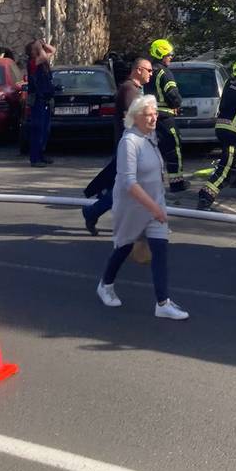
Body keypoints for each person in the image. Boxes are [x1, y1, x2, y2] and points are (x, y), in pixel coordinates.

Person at [96, 94, 189, 320]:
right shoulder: (129, 142)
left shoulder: (151, 137)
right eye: (148, 115)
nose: (154, 118)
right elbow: (129, 182)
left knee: (160, 249)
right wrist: (154, 208)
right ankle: (105, 285)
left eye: (155, 113)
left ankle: (162, 303)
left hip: (154, 204)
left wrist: (158, 204)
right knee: (124, 248)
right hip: (132, 207)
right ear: (135, 117)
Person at [82, 57, 153, 235]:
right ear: (138, 70)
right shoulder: (129, 90)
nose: (151, 74)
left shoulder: (134, 89)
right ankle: (94, 212)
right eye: (149, 70)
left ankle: (96, 212)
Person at [197, 58, 236, 210]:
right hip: (235, 131)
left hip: (221, 128)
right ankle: (206, 196)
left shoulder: (228, 83)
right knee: (226, 166)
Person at [143, 38, 189, 192]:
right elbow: (173, 95)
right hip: (165, 117)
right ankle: (177, 183)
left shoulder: (149, 71)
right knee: (173, 148)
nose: (171, 57)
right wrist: (177, 104)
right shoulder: (164, 72)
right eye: (169, 55)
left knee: (154, 150)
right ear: (161, 54)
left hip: (149, 117)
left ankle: (152, 182)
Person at [27, 40, 58, 168]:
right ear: (32, 52)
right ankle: (35, 159)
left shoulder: (42, 61)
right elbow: (44, 56)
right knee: (38, 130)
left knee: (45, 130)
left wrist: (43, 44)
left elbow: (53, 51)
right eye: (37, 49)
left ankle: (41, 155)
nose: (41, 50)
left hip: (45, 100)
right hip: (38, 101)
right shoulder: (33, 63)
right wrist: (40, 47)